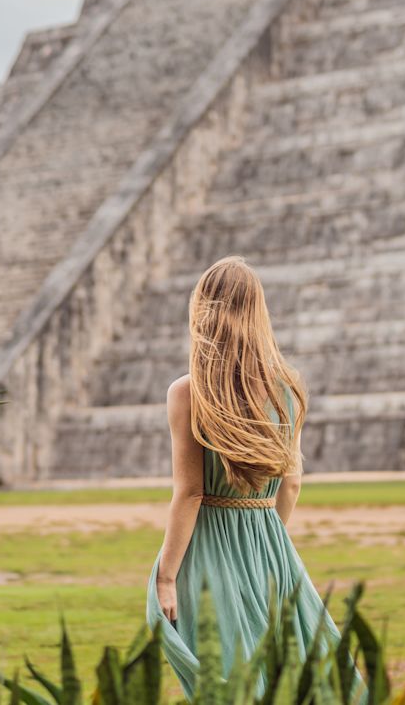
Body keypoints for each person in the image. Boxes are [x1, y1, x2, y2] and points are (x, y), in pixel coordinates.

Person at [145, 255, 366, 702]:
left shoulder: (188, 392)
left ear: (202, 309)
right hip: (270, 541)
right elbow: (293, 483)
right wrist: (269, 540)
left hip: (208, 545)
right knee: (297, 666)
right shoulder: (287, 386)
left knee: (227, 671)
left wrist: (166, 577)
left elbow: (189, 493)